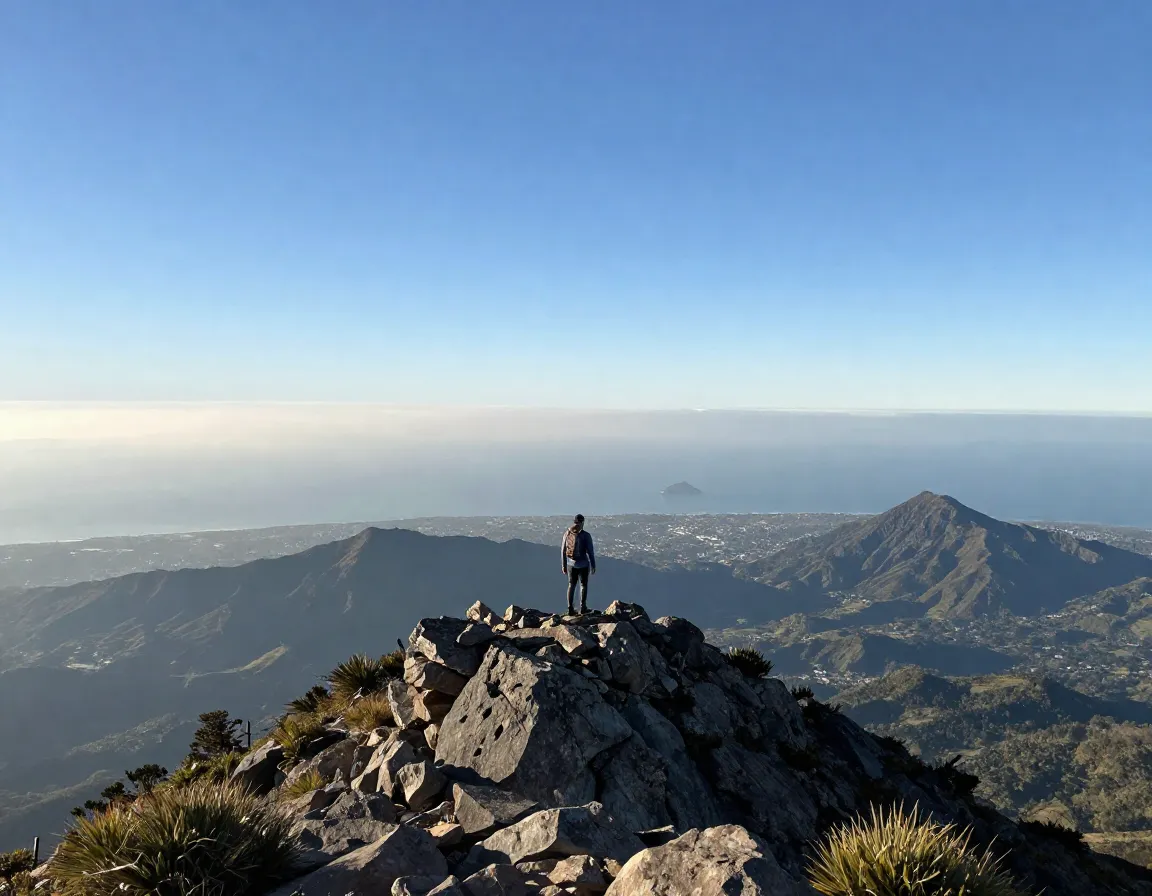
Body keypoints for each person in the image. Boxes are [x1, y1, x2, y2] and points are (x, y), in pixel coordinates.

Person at [561, 513, 596, 615]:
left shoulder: (567, 533)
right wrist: (593, 565)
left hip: (570, 564)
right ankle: (583, 608)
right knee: (583, 585)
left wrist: (563, 565)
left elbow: (563, 550)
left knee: (571, 585)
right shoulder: (586, 535)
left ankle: (570, 609)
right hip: (583, 564)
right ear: (582, 522)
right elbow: (590, 552)